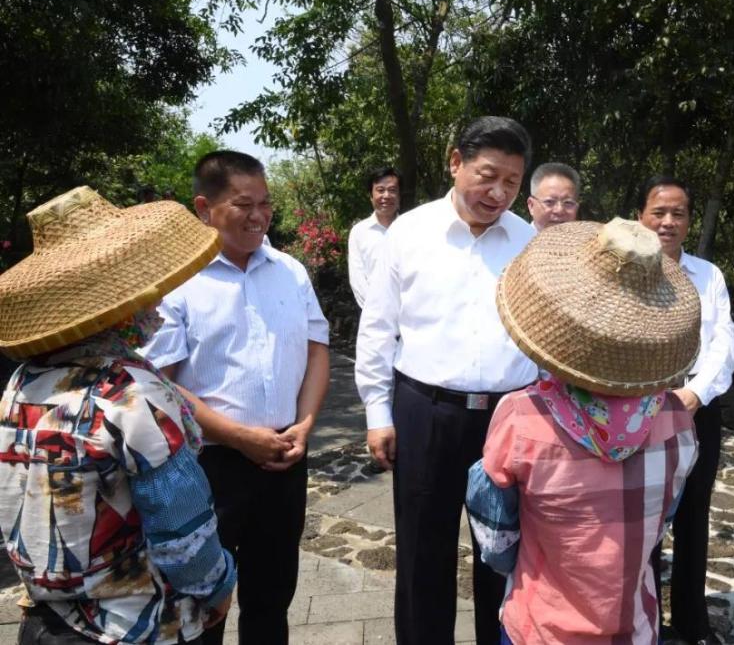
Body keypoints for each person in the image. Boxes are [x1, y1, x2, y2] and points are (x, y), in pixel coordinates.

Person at [0, 186, 236, 644]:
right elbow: (181, 530)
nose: (156, 304)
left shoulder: (20, 385)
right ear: (120, 308)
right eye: (147, 296)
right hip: (134, 624)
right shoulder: (132, 393)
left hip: (46, 621)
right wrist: (218, 586)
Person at [466, 217, 703, 644]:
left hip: (540, 627)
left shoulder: (522, 416)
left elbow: (496, 542)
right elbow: (661, 522)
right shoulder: (676, 420)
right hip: (634, 626)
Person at [355, 116, 537, 644]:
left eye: (511, 182)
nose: (498, 192)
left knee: (503, 552)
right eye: (488, 176)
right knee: (422, 553)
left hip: (509, 417)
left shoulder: (529, 242)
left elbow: (545, 336)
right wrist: (377, 412)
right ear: (455, 162)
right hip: (425, 411)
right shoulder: (409, 233)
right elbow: (378, 327)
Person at [142, 151, 331, 645]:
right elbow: (159, 381)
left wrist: (305, 424)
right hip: (210, 466)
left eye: (265, 203)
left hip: (285, 459)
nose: (258, 216)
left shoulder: (290, 271)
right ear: (204, 208)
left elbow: (317, 350)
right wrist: (238, 436)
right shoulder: (178, 283)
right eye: (243, 204)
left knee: (272, 595)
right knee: (201, 603)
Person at [638, 176, 734, 645]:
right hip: (641, 407)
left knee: (695, 512)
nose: (668, 222)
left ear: (689, 221)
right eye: (658, 212)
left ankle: (692, 623)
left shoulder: (708, 275)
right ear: (640, 216)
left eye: (678, 213)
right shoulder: (626, 271)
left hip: (698, 406)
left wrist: (696, 393)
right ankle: (644, 620)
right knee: (644, 515)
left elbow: (723, 340)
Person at [348, 166, 401, 308]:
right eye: (380, 190)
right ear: (371, 196)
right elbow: (358, 279)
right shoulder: (359, 232)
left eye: (392, 190)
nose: (386, 195)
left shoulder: (410, 229)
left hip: (409, 313)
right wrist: (377, 310)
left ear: (399, 195)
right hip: (373, 312)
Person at [526, 162, 581, 232]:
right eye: (549, 202)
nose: (559, 210)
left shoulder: (587, 238)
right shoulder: (518, 238)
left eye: (568, 203)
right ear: (531, 205)